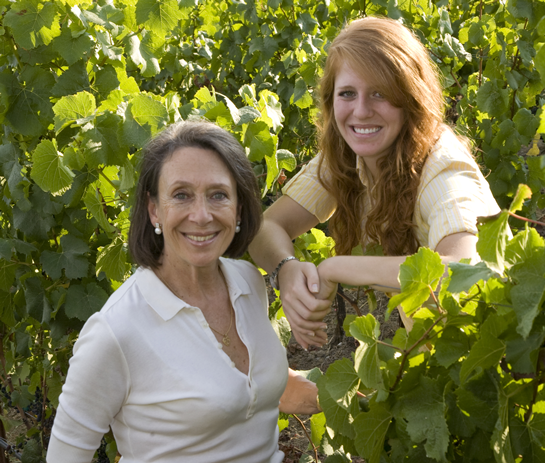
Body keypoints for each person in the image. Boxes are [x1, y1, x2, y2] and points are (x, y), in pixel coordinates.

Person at [47, 121, 319, 463]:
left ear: (238, 208)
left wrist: (364, 394)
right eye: (181, 195)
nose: (201, 215)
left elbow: (250, 392)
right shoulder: (116, 332)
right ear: (154, 210)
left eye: (218, 194)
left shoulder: (248, 282)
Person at [248, 16, 503, 349]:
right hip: (441, 352)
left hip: (499, 360)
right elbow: (267, 226)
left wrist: (336, 267)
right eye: (348, 93)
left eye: (380, 93)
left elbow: (463, 273)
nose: (361, 111)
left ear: (411, 99)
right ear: (330, 100)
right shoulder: (346, 157)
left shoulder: (444, 169)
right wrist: (287, 269)